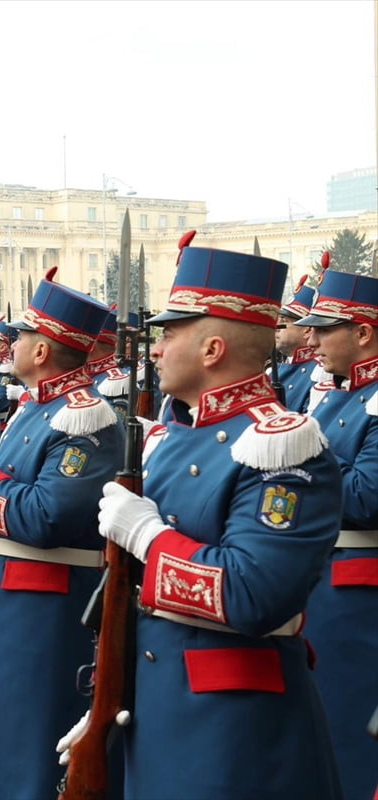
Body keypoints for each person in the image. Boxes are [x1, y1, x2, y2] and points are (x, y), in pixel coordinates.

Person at [59, 245, 343, 798]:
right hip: (153, 697)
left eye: (170, 334)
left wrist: (148, 535)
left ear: (212, 347)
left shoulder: (280, 447)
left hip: (230, 722)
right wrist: (106, 696)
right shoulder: (166, 438)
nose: (157, 348)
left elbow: (252, 593)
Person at [0, 273, 123, 799]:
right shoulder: (37, 406)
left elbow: (48, 515)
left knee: (26, 738)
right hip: (6, 593)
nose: (11, 343)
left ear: (42, 350)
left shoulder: (82, 417)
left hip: (40, 604)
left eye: (20, 336)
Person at [294, 268, 378, 799]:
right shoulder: (337, 396)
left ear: (365, 332)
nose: (312, 338)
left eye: (326, 329)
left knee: (348, 736)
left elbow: (368, 498)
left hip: (356, 594)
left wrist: (297, 464)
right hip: (320, 583)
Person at [275, 275, 319, 412]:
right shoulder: (274, 370)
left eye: (283, 321)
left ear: (307, 330)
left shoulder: (320, 372)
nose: (276, 326)